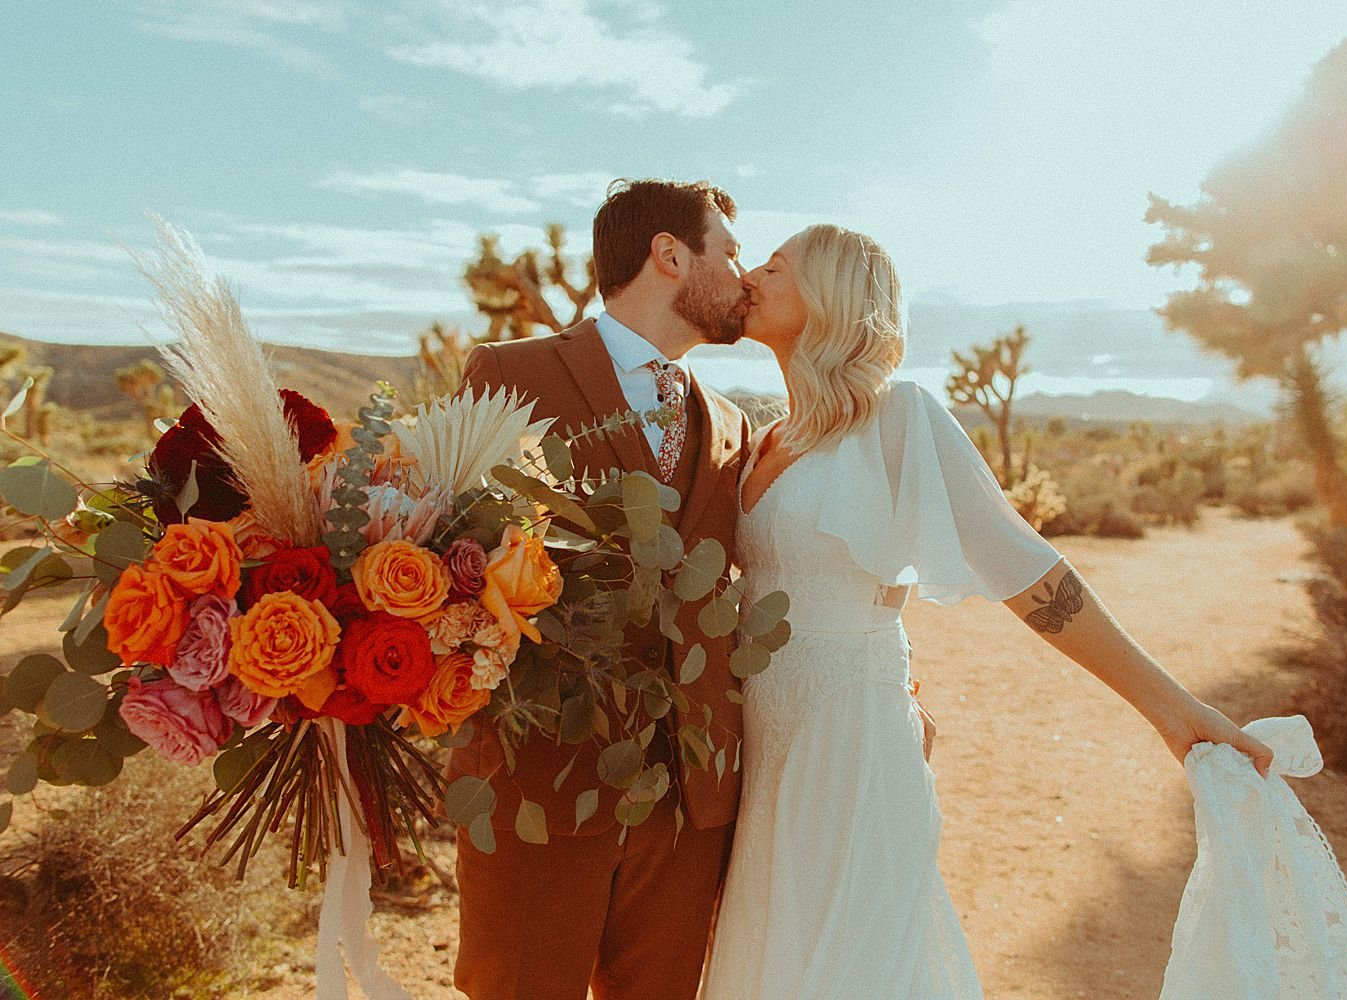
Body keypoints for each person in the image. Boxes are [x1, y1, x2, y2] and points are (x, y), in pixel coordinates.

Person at [698, 224, 1274, 1000]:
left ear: (833, 299)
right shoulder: (763, 436)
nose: (752, 276)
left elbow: (1025, 567)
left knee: (848, 969)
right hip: (765, 742)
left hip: (851, 738)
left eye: (775, 266)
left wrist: (1171, 707)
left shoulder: (898, 417)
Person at [448, 177, 753, 1000]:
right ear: (669, 255)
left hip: (686, 797)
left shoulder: (732, 421)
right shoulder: (509, 374)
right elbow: (450, 558)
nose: (744, 276)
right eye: (730, 253)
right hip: (537, 779)